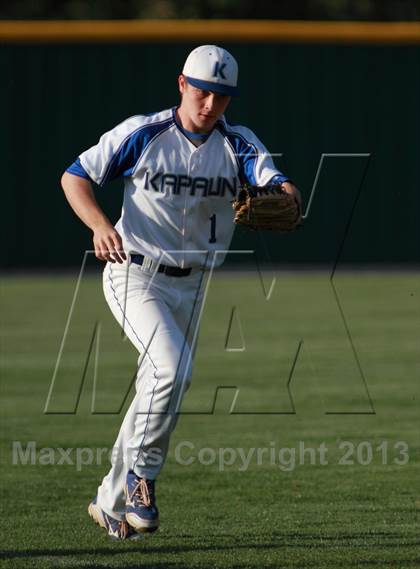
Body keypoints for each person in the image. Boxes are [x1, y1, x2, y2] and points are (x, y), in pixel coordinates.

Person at [61, 44, 300, 541]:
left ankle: (108, 501)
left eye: (222, 96)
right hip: (133, 271)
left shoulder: (237, 144)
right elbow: (75, 176)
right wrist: (100, 226)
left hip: (193, 286)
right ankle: (142, 479)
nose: (211, 104)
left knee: (161, 383)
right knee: (173, 369)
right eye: (203, 92)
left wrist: (287, 194)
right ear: (182, 85)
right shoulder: (143, 133)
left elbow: (277, 184)